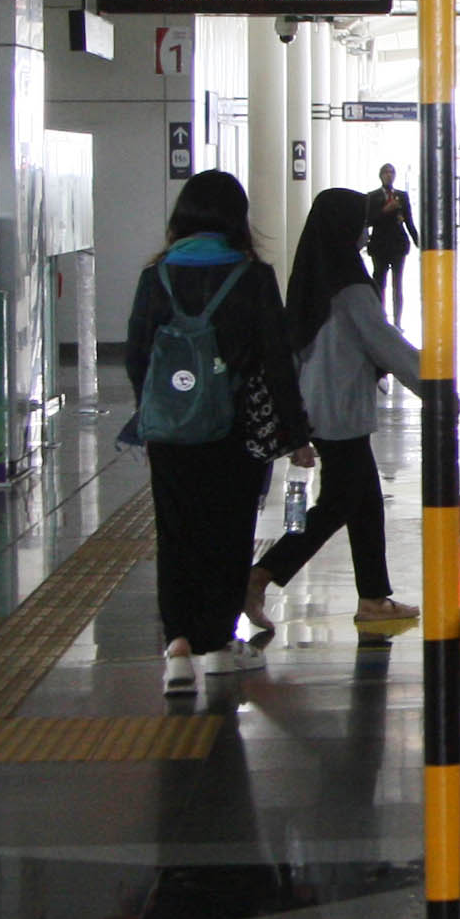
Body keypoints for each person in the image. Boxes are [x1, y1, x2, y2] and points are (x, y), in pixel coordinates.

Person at [123, 172, 313, 697]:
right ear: (236, 219)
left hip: (170, 434)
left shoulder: (156, 276)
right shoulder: (252, 278)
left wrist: (158, 412)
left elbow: (136, 355)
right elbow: (277, 362)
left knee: (176, 534)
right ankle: (217, 645)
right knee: (227, 536)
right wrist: (295, 433)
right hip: (236, 433)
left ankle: (179, 647)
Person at [247, 187, 425, 640]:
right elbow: (383, 340)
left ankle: (373, 598)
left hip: (319, 407)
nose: (366, 234)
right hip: (339, 411)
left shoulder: (312, 273)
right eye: (361, 225)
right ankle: (261, 576)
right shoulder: (349, 283)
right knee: (338, 505)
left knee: (363, 504)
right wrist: (435, 385)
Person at [365, 163, 419, 319]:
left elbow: (409, 221)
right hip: (379, 246)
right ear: (380, 175)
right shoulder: (372, 197)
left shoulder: (402, 196)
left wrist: (418, 242)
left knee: (398, 284)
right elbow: (368, 220)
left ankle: (397, 321)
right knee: (379, 283)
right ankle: (380, 318)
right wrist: (385, 210)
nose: (389, 175)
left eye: (392, 173)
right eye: (386, 173)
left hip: (398, 245)